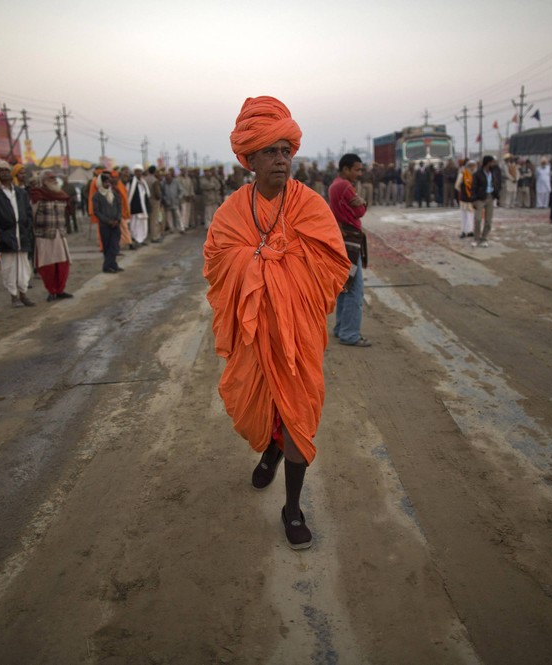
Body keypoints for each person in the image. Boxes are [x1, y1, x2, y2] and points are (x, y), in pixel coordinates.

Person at [203, 96, 350, 550]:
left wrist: (277, 264)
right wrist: (260, 259)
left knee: (299, 413)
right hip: (254, 335)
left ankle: (292, 508)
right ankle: (268, 449)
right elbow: (216, 261)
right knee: (265, 410)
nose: (282, 159)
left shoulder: (309, 206)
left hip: (298, 337)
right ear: (249, 159)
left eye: (287, 149)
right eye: (270, 151)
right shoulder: (231, 211)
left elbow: (333, 265)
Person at [329, 153, 371, 347]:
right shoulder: (345, 186)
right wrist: (362, 202)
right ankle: (350, 334)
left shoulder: (335, 185)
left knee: (345, 286)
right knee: (354, 289)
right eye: (356, 169)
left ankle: (341, 328)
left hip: (344, 241)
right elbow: (360, 210)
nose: (359, 173)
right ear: (345, 169)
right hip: (351, 245)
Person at [0, 160, 35, 307]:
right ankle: (14, 296)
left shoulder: (20, 192)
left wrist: (26, 227)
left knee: (24, 266)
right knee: (9, 268)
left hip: (22, 235)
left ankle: (24, 294)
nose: (4, 172)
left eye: (6, 170)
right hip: (6, 236)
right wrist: (0, 231)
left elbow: (28, 213)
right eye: (1, 170)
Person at [30, 170, 74, 300]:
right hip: (44, 236)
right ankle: (51, 291)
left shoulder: (61, 195)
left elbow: (67, 213)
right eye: (50, 178)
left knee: (63, 264)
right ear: (43, 181)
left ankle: (60, 290)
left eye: (55, 177)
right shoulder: (37, 195)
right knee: (47, 266)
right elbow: (32, 215)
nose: (54, 180)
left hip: (60, 234)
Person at [92, 171, 123, 273]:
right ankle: (110, 266)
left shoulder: (113, 193)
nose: (108, 184)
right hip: (105, 225)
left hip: (116, 224)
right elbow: (97, 212)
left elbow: (119, 207)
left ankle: (110, 265)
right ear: (101, 183)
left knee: (114, 246)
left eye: (108, 181)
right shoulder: (97, 196)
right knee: (107, 247)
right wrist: (108, 221)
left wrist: (117, 219)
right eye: (105, 182)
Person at [472, 155, 501, 245]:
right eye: (492, 162)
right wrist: (473, 200)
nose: (493, 164)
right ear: (488, 163)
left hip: (490, 197)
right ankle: (476, 238)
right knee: (478, 219)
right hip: (480, 198)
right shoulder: (478, 174)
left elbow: (497, 183)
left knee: (488, 220)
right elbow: (473, 187)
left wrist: (496, 193)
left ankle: (484, 238)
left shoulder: (494, 172)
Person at [127, 165, 151, 245]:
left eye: (140, 171)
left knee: (143, 224)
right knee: (135, 224)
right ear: (134, 172)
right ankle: (136, 239)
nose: (139, 173)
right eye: (137, 171)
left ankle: (142, 239)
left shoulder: (143, 182)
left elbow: (147, 195)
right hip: (135, 207)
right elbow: (128, 194)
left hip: (143, 207)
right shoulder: (131, 182)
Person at [456, 159, 476, 238]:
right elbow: (457, 186)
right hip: (464, 198)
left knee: (471, 215)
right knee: (464, 215)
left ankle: (470, 230)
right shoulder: (462, 174)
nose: (472, 168)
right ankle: (463, 231)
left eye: (473, 166)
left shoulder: (475, 175)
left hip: (472, 198)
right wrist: (464, 191)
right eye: (471, 166)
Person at [162, 168, 184, 234]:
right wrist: (165, 199)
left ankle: (181, 228)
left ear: (171, 175)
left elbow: (181, 191)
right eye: (165, 175)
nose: (167, 176)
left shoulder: (176, 182)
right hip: (167, 203)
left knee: (178, 216)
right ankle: (171, 228)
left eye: (168, 175)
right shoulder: (163, 183)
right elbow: (162, 193)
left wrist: (179, 198)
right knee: (169, 217)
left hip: (175, 202)